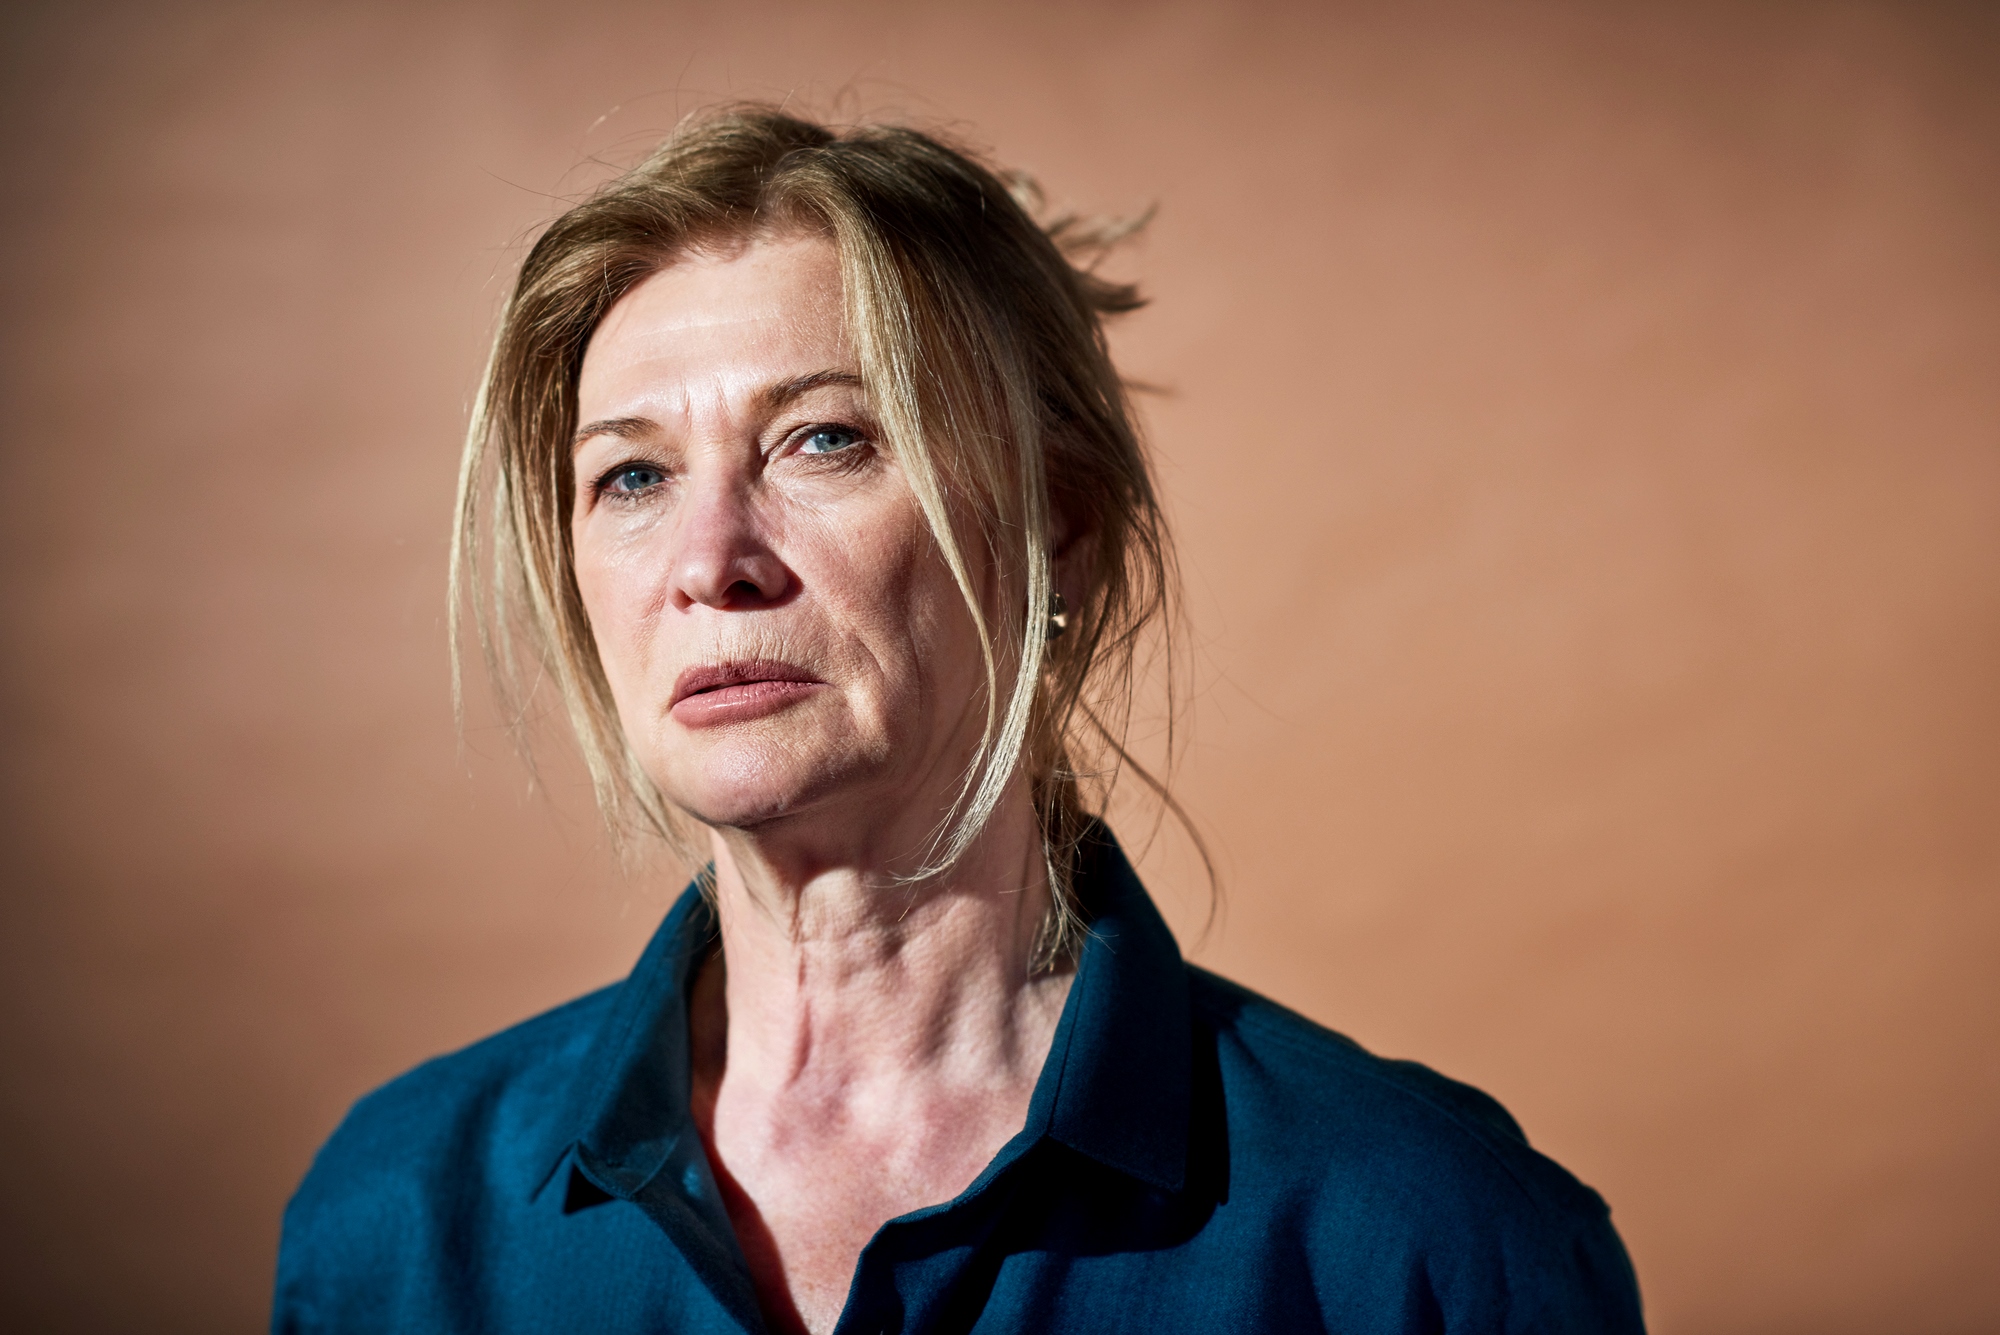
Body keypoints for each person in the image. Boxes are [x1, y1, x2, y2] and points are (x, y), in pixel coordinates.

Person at [272, 106, 1644, 1335]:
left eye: (826, 440)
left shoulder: (1425, 1244)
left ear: (1057, 521)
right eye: (631, 476)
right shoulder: (395, 1222)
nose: (710, 560)